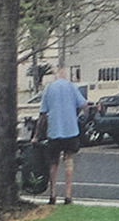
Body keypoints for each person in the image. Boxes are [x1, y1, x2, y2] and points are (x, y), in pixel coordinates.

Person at [36, 65, 87, 205]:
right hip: (70, 129)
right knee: (68, 160)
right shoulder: (71, 87)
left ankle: (53, 194)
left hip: (54, 130)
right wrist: (80, 115)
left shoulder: (49, 88)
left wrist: (36, 135)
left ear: (56, 75)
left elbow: (43, 113)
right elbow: (83, 104)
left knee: (53, 162)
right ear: (65, 75)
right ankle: (68, 195)